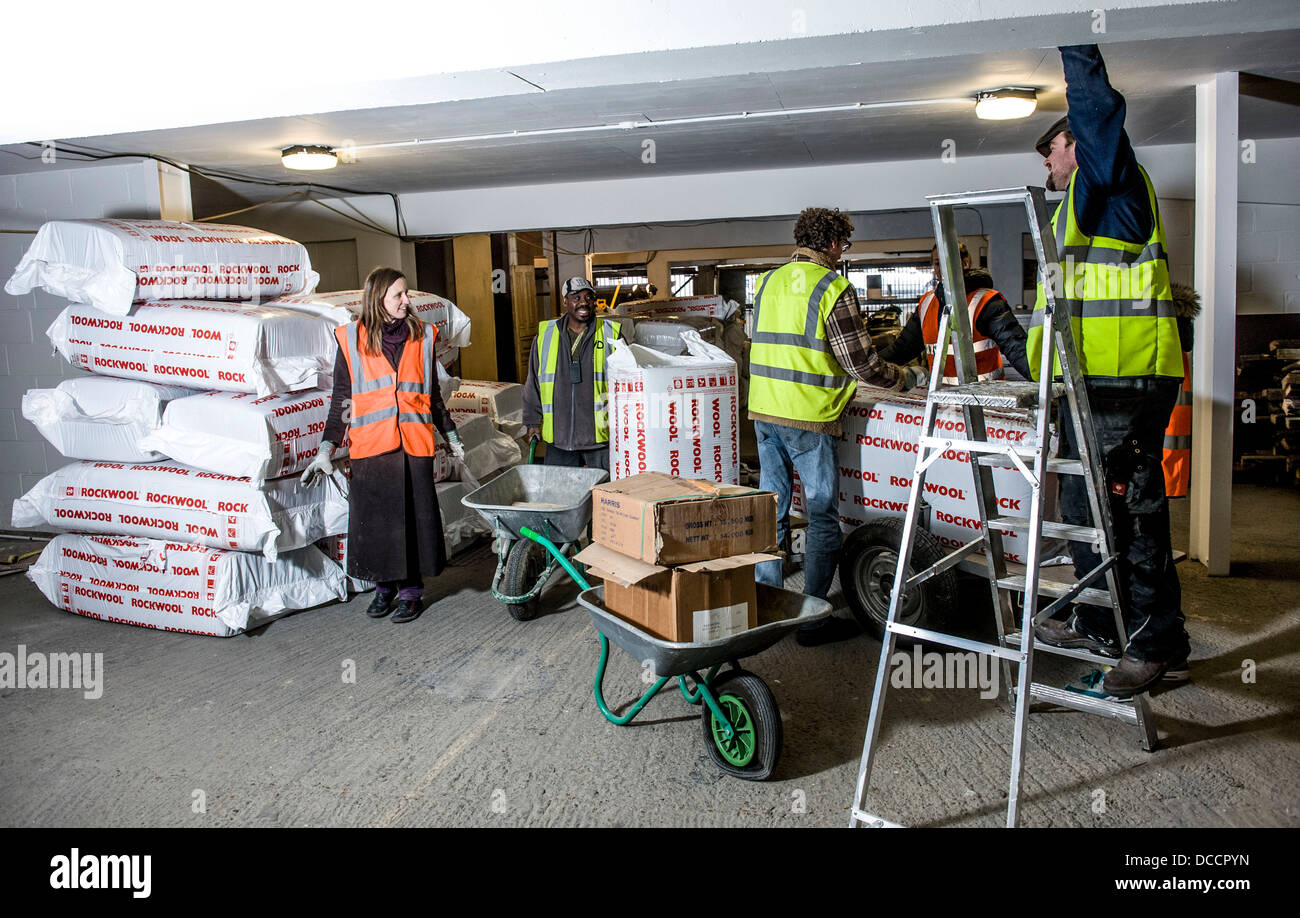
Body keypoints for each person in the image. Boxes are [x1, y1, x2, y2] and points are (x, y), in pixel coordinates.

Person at [1027, 44, 1191, 696]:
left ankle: (1154, 646)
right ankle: (1100, 621)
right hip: (1087, 381)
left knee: (1130, 512)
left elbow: (1098, 120)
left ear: (1079, 146)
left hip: (1127, 379)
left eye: (1053, 150)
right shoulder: (1075, 211)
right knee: (1083, 506)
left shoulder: (1114, 187)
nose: (1048, 163)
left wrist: (1077, 48)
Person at [749, 207, 925, 646]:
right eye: (843, 245)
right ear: (830, 244)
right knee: (823, 514)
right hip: (808, 415)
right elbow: (861, 363)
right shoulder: (833, 287)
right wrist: (907, 379)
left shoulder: (768, 282)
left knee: (773, 508)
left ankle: (767, 610)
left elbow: (766, 343)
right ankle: (813, 621)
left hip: (764, 412)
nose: (842, 252)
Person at [301, 267, 464, 624]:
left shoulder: (423, 336)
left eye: (406, 294)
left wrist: (450, 434)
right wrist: (327, 447)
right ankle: (384, 589)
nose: (407, 301)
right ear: (379, 300)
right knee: (378, 524)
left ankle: (410, 593)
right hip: (373, 448)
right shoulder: (350, 340)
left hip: (413, 446)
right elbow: (342, 398)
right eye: (399, 296)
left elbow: (433, 395)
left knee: (412, 523)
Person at [880, 242, 1033, 382]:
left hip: (985, 404)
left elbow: (1018, 351)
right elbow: (901, 349)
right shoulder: (926, 304)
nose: (942, 269)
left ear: (965, 263)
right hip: (943, 405)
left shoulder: (987, 302)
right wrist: (868, 367)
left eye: (948, 262)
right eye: (938, 263)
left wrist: (1049, 381)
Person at [522, 276, 625, 470]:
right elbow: (533, 381)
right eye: (576, 297)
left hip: (600, 438)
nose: (583, 302)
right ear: (565, 301)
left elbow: (629, 384)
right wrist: (532, 421)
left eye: (588, 297)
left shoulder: (612, 334)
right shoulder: (546, 335)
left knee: (607, 496)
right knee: (561, 497)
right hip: (560, 439)